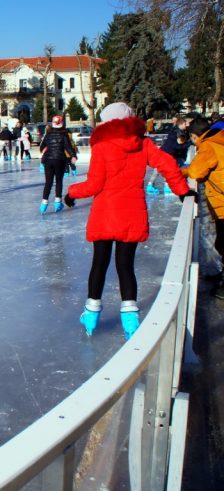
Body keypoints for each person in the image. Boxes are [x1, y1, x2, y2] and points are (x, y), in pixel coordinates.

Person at [63, 102, 193, 340]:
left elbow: (94, 185)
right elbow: (167, 164)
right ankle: (130, 319)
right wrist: (182, 190)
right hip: (131, 213)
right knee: (126, 266)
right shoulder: (143, 144)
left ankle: (91, 313)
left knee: (99, 264)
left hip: (105, 213)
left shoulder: (102, 146)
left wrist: (71, 193)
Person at [183, 117, 224, 298]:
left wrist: (179, 171)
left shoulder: (208, 146)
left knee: (222, 243)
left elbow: (196, 172)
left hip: (222, 202)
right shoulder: (218, 139)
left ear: (193, 136)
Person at [39, 115, 77, 214]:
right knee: (58, 181)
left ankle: (44, 204)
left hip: (48, 160)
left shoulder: (48, 134)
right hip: (59, 160)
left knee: (48, 182)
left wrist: (45, 149)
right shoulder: (64, 135)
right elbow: (68, 147)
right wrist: (73, 156)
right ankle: (57, 203)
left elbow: (42, 146)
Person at [146, 116, 191, 194]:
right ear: (182, 124)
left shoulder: (175, 130)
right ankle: (166, 186)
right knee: (167, 169)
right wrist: (189, 143)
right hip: (168, 153)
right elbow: (178, 146)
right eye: (185, 124)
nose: (186, 126)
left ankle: (151, 185)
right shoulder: (179, 132)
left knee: (159, 169)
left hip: (164, 151)